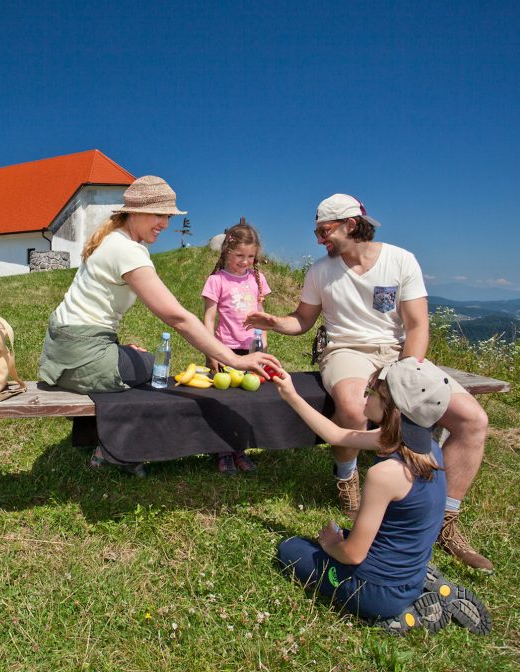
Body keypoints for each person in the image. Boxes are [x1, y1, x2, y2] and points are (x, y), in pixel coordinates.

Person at [244, 194, 493, 571]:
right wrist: (275, 323)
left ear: (350, 224)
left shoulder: (400, 260)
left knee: (473, 419)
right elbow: (303, 320)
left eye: (323, 230)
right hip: (346, 349)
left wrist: (404, 377)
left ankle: (445, 520)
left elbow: (417, 326)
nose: (318, 239)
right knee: (351, 402)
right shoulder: (320, 271)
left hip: (399, 353)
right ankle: (348, 482)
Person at [38, 175, 279, 473]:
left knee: (140, 362)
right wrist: (232, 359)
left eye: (167, 216)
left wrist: (115, 349)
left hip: (63, 350)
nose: (165, 223)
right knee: (154, 368)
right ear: (135, 212)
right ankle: (117, 449)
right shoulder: (127, 250)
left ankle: (109, 437)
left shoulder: (112, 240)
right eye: (159, 214)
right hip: (81, 354)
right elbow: (176, 316)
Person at [272, 358, 491, 635]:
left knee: (290, 549)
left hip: (372, 591)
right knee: (350, 535)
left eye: (375, 393)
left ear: (396, 411)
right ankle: (419, 583)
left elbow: (352, 554)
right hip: (408, 572)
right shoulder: (426, 447)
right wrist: (291, 394)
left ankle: (399, 615)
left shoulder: (386, 474)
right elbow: (337, 434)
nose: (366, 395)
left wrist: (329, 545)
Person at [201, 221, 272, 475]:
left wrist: (263, 340)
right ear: (226, 252)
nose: (245, 261)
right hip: (225, 350)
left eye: (251, 256)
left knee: (246, 402)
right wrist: (210, 351)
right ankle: (222, 451)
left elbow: (262, 313)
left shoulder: (258, 279)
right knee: (224, 401)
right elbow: (208, 318)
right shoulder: (217, 280)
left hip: (251, 351)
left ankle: (239, 449)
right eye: (239, 255)